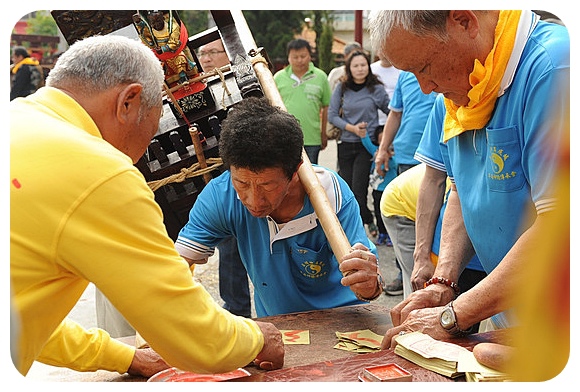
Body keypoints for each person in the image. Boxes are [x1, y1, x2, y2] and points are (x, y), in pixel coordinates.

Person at [10, 34, 284, 377]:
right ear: (129, 101)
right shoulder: (98, 171)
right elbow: (196, 338)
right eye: (152, 129)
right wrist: (256, 338)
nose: (141, 153)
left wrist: (127, 357)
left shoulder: (16, 120)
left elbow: (22, 319)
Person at [368, 10, 568, 349]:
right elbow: (462, 191)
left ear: (464, 22)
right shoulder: (459, 90)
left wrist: (453, 315)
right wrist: (443, 281)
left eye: (424, 67)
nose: (425, 88)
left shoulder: (555, 68)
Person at [175, 96, 385, 317]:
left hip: (345, 317)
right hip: (278, 324)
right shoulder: (220, 195)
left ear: (295, 172)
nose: (254, 201)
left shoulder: (331, 193)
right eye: (242, 183)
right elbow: (176, 266)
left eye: (267, 185)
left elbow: (371, 282)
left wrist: (369, 283)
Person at [198, 37, 252, 318]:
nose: (206, 58)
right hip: (212, 177)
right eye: (202, 53)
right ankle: (237, 310)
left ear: (227, 54)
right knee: (228, 244)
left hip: (247, 172)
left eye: (212, 52)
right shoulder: (194, 88)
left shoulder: (243, 83)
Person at [380, 163, 487, 299]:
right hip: (400, 204)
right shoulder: (458, 191)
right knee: (420, 280)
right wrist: (422, 258)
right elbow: (450, 232)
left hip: (427, 200)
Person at [373, 70, 437, 295]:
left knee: (435, 221)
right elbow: (395, 114)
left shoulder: (441, 66)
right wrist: (382, 150)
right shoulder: (405, 75)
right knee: (409, 217)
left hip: (438, 155)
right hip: (407, 155)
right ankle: (407, 274)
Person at [328, 50, 390, 238]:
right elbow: (331, 115)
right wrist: (352, 128)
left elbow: (393, 112)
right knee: (346, 190)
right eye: (355, 65)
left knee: (358, 190)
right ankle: (363, 222)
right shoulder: (342, 88)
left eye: (363, 65)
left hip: (366, 146)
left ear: (368, 66)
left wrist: (383, 134)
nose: (360, 69)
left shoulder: (376, 89)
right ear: (349, 68)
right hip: (346, 144)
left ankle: (363, 227)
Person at [274, 38, 331, 164]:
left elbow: (326, 106)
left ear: (310, 56)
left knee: (311, 177)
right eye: (295, 57)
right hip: (284, 139)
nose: (299, 60)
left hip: (312, 138)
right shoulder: (278, 78)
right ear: (288, 57)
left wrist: (324, 133)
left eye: (303, 56)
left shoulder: (320, 77)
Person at [370, 51, 400, 132]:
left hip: (396, 118)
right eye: (381, 51)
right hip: (375, 121)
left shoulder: (401, 69)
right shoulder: (371, 69)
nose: (384, 55)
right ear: (377, 52)